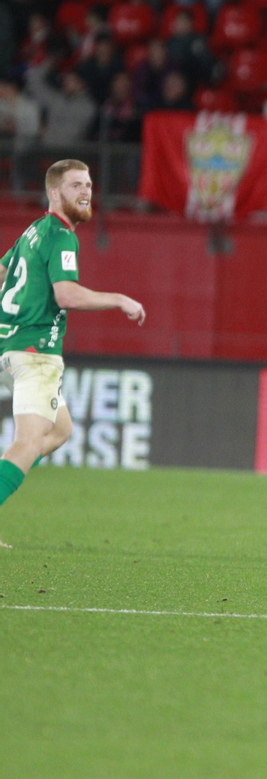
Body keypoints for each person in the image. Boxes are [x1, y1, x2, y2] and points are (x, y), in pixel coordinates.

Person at [0, 160, 147, 544]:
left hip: (9, 347)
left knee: (61, 430)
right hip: (35, 353)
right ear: (54, 193)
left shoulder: (35, 230)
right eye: (76, 185)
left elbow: (2, 270)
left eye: (89, 185)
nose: (86, 192)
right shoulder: (62, 235)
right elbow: (65, 294)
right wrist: (118, 298)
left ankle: (6, 471)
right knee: (29, 441)